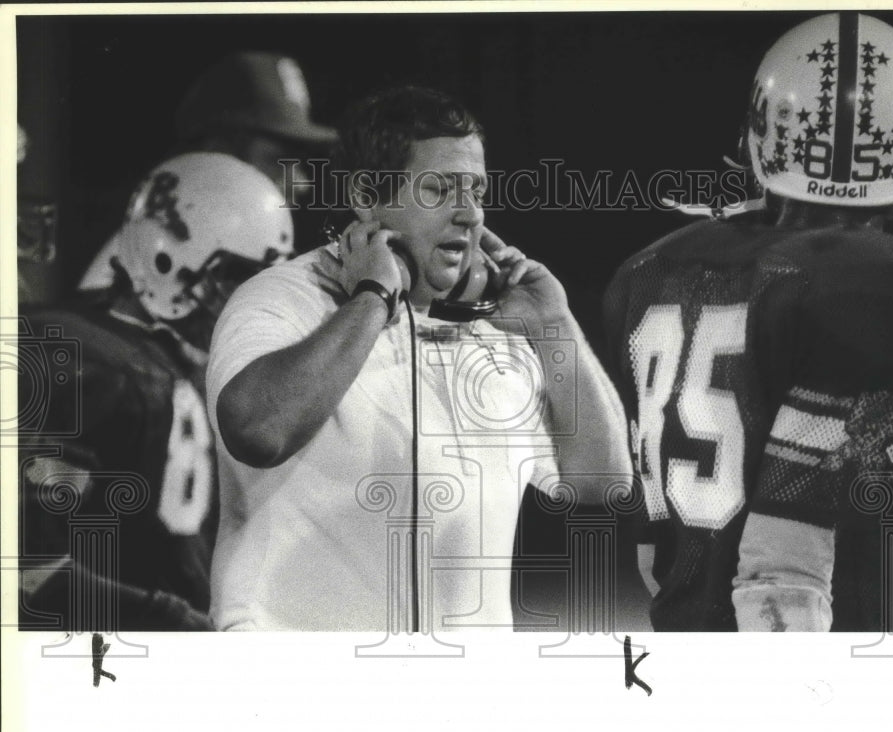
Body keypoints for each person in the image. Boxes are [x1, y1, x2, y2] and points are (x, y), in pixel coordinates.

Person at [603, 12, 893, 732]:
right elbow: (783, 563)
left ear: (754, 142)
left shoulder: (649, 272)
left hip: (694, 703)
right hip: (831, 722)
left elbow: (653, 554)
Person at [206, 85, 631, 633]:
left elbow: (604, 484)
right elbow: (258, 429)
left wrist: (554, 328)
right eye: (439, 189)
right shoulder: (284, 299)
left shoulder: (495, 328)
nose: (469, 213)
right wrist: (373, 300)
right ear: (365, 195)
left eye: (475, 189)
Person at [19, 152, 294, 632]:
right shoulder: (77, 355)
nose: (250, 304)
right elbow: (26, 566)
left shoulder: (183, 365)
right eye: (236, 278)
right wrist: (172, 622)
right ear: (165, 254)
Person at [77, 51, 337, 292]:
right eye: (278, 160)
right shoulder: (135, 269)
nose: (301, 183)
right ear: (217, 155)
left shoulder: (227, 260)